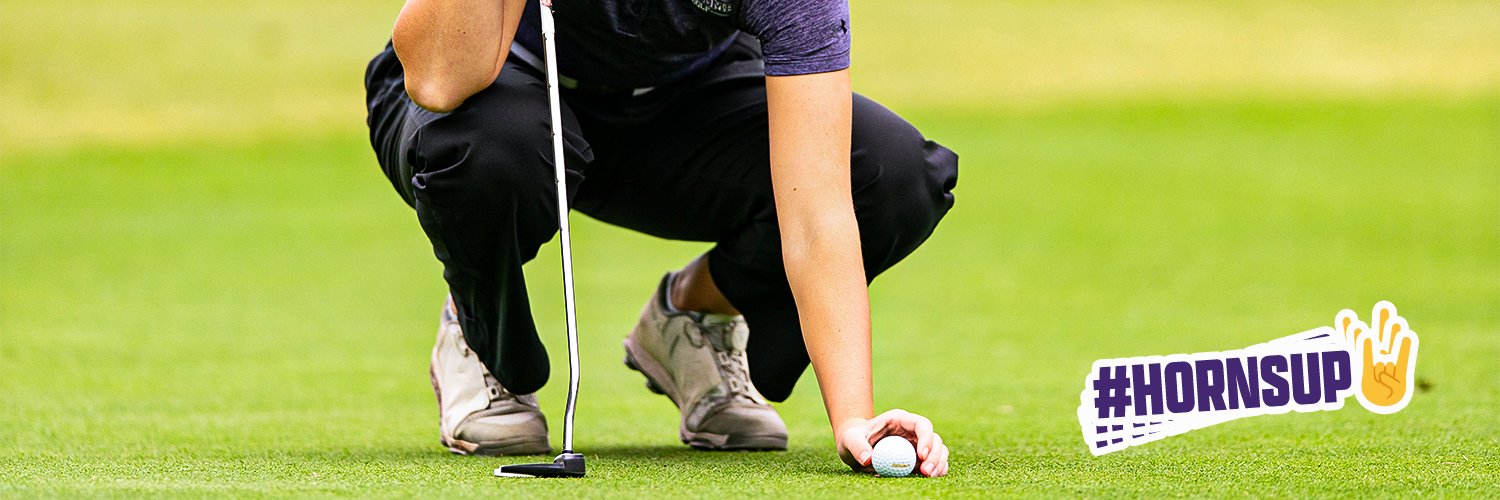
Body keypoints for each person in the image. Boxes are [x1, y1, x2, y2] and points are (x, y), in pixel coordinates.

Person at [363, 0, 957, 477]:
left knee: (891, 175)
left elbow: (818, 213)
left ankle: (693, 318)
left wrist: (854, 419)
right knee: (494, 151)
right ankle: (481, 333)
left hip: (681, 103)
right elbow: (439, 81)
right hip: (496, 86)